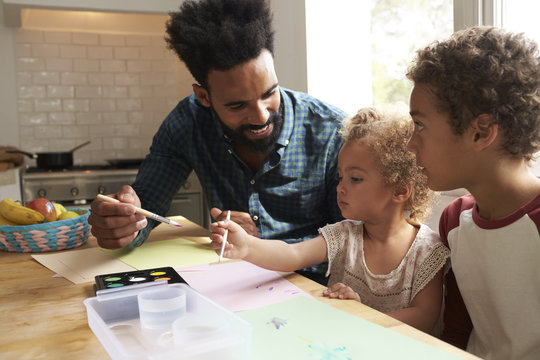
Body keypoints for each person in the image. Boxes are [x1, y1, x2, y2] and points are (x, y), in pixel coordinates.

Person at [88, 0, 346, 283]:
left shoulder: (333, 131)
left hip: (320, 290)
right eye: (237, 106)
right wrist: (128, 225)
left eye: (269, 93)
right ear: (204, 97)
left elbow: (357, 236)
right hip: (234, 283)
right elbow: (148, 204)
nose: (261, 116)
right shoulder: (187, 122)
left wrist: (260, 246)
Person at [210, 107, 450, 334]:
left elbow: (424, 317)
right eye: (340, 176)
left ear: (399, 190)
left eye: (355, 179)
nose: (340, 187)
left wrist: (360, 315)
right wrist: (246, 246)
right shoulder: (345, 235)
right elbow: (293, 255)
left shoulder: (427, 250)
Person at [406, 26, 540, 359]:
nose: (410, 144)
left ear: (481, 133)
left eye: (420, 125)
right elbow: (457, 332)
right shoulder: (454, 222)